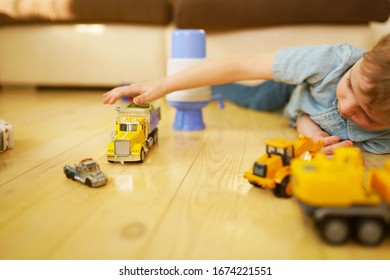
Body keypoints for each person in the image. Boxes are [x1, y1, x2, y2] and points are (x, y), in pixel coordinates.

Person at [103, 33, 390, 155]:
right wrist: (163, 85)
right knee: (256, 99)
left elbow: (303, 116)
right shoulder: (331, 61)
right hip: (296, 85)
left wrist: (314, 138)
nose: (345, 107)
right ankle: (206, 85)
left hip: (303, 109)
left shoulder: (383, 140)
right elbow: (240, 65)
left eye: (365, 114)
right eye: (350, 85)